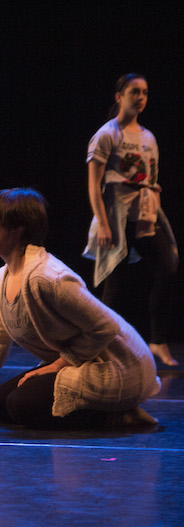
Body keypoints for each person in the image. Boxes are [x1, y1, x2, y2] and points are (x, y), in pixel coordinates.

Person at [0, 188, 161, 429]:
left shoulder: (47, 278)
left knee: (23, 406)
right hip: (85, 359)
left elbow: (106, 327)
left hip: (121, 366)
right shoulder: (0, 280)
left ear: (16, 227)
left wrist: (56, 365)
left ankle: (120, 414)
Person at [83, 73, 179, 366]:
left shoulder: (148, 137)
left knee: (168, 267)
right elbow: (94, 184)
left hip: (144, 215)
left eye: (145, 92)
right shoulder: (107, 134)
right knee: (115, 284)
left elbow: (151, 178)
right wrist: (103, 222)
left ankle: (157, 341)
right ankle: (103, 345)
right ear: (119, 96)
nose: (140, 97)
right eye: (134, 92)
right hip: (115, 214)